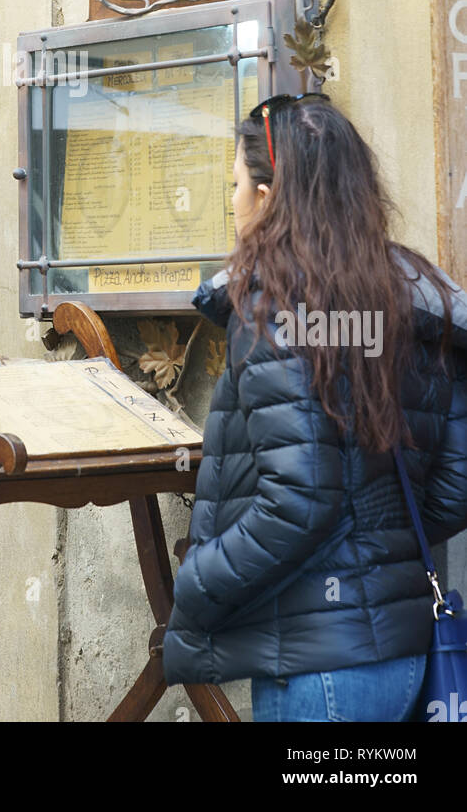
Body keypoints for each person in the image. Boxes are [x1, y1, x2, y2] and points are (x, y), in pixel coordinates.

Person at [163, 92, 467, 722]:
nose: (233, 200)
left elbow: (298, 501)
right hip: (404, 648)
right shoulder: (410, 297)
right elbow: (456, 482)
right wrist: (377, 552)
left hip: (320, 667)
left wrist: (195, 585)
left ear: (269, 198)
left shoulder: (275, 310)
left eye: (238, 183)